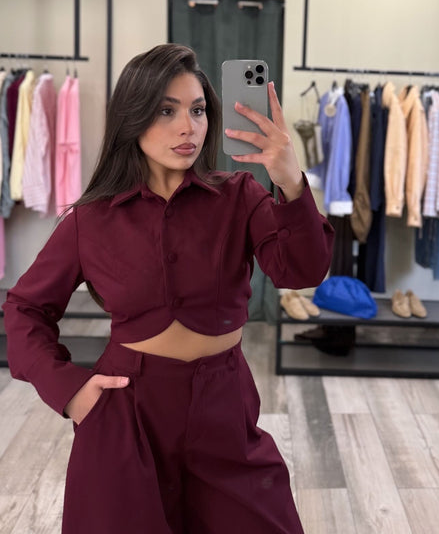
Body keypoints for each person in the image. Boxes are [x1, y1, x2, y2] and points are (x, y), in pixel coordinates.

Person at [2, 44, 334, 534]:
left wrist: (289, 181)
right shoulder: (91, 219)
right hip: (126, 414)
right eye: (166, 111)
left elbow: (302, 271)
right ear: (132, 118)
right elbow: (25, 307)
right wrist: (69, 391)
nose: (188, 127)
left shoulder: (241, 196)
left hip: (224, 411)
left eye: (197, 110)